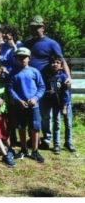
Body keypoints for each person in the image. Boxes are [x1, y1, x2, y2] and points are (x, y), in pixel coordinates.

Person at [22, 15, 72, 151]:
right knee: (37, 113)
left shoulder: (51, 43)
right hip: (31, 85)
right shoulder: (27, 44)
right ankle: (37, 138)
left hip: (47, 83)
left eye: (37, 27)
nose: (34, 30)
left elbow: (62, 60)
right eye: (32, 28)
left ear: (43, 28)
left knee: (48, 115)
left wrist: (68, 77)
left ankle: (48, 139)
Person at [7, 47, 45, 163]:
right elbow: (10, 88)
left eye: (24, 57)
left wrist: (35, 98)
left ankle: (35, 150)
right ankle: (23, 149)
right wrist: (18, 100)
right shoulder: (13, 72)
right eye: (19, 57)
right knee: (21, 127)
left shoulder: (34, 72)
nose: (22, 59)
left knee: (34, 128)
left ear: (29, 58)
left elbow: (41, 87)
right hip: (20, 106)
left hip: (33, 105)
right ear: (16, 58)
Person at [41, 55, 73, 154]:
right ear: (49, 64)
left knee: (68, 124)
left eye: (57, 63)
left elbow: (66, 93)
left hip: (63, 103)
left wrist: (64, 107)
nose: (55, 64)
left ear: (61, 66)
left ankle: (68, 143)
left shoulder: (63, 77)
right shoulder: (47, 77)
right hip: (54, 104)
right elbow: (43, 89)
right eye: (52, 62)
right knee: (57, 124)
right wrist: (48, 92)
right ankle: (57, 145)